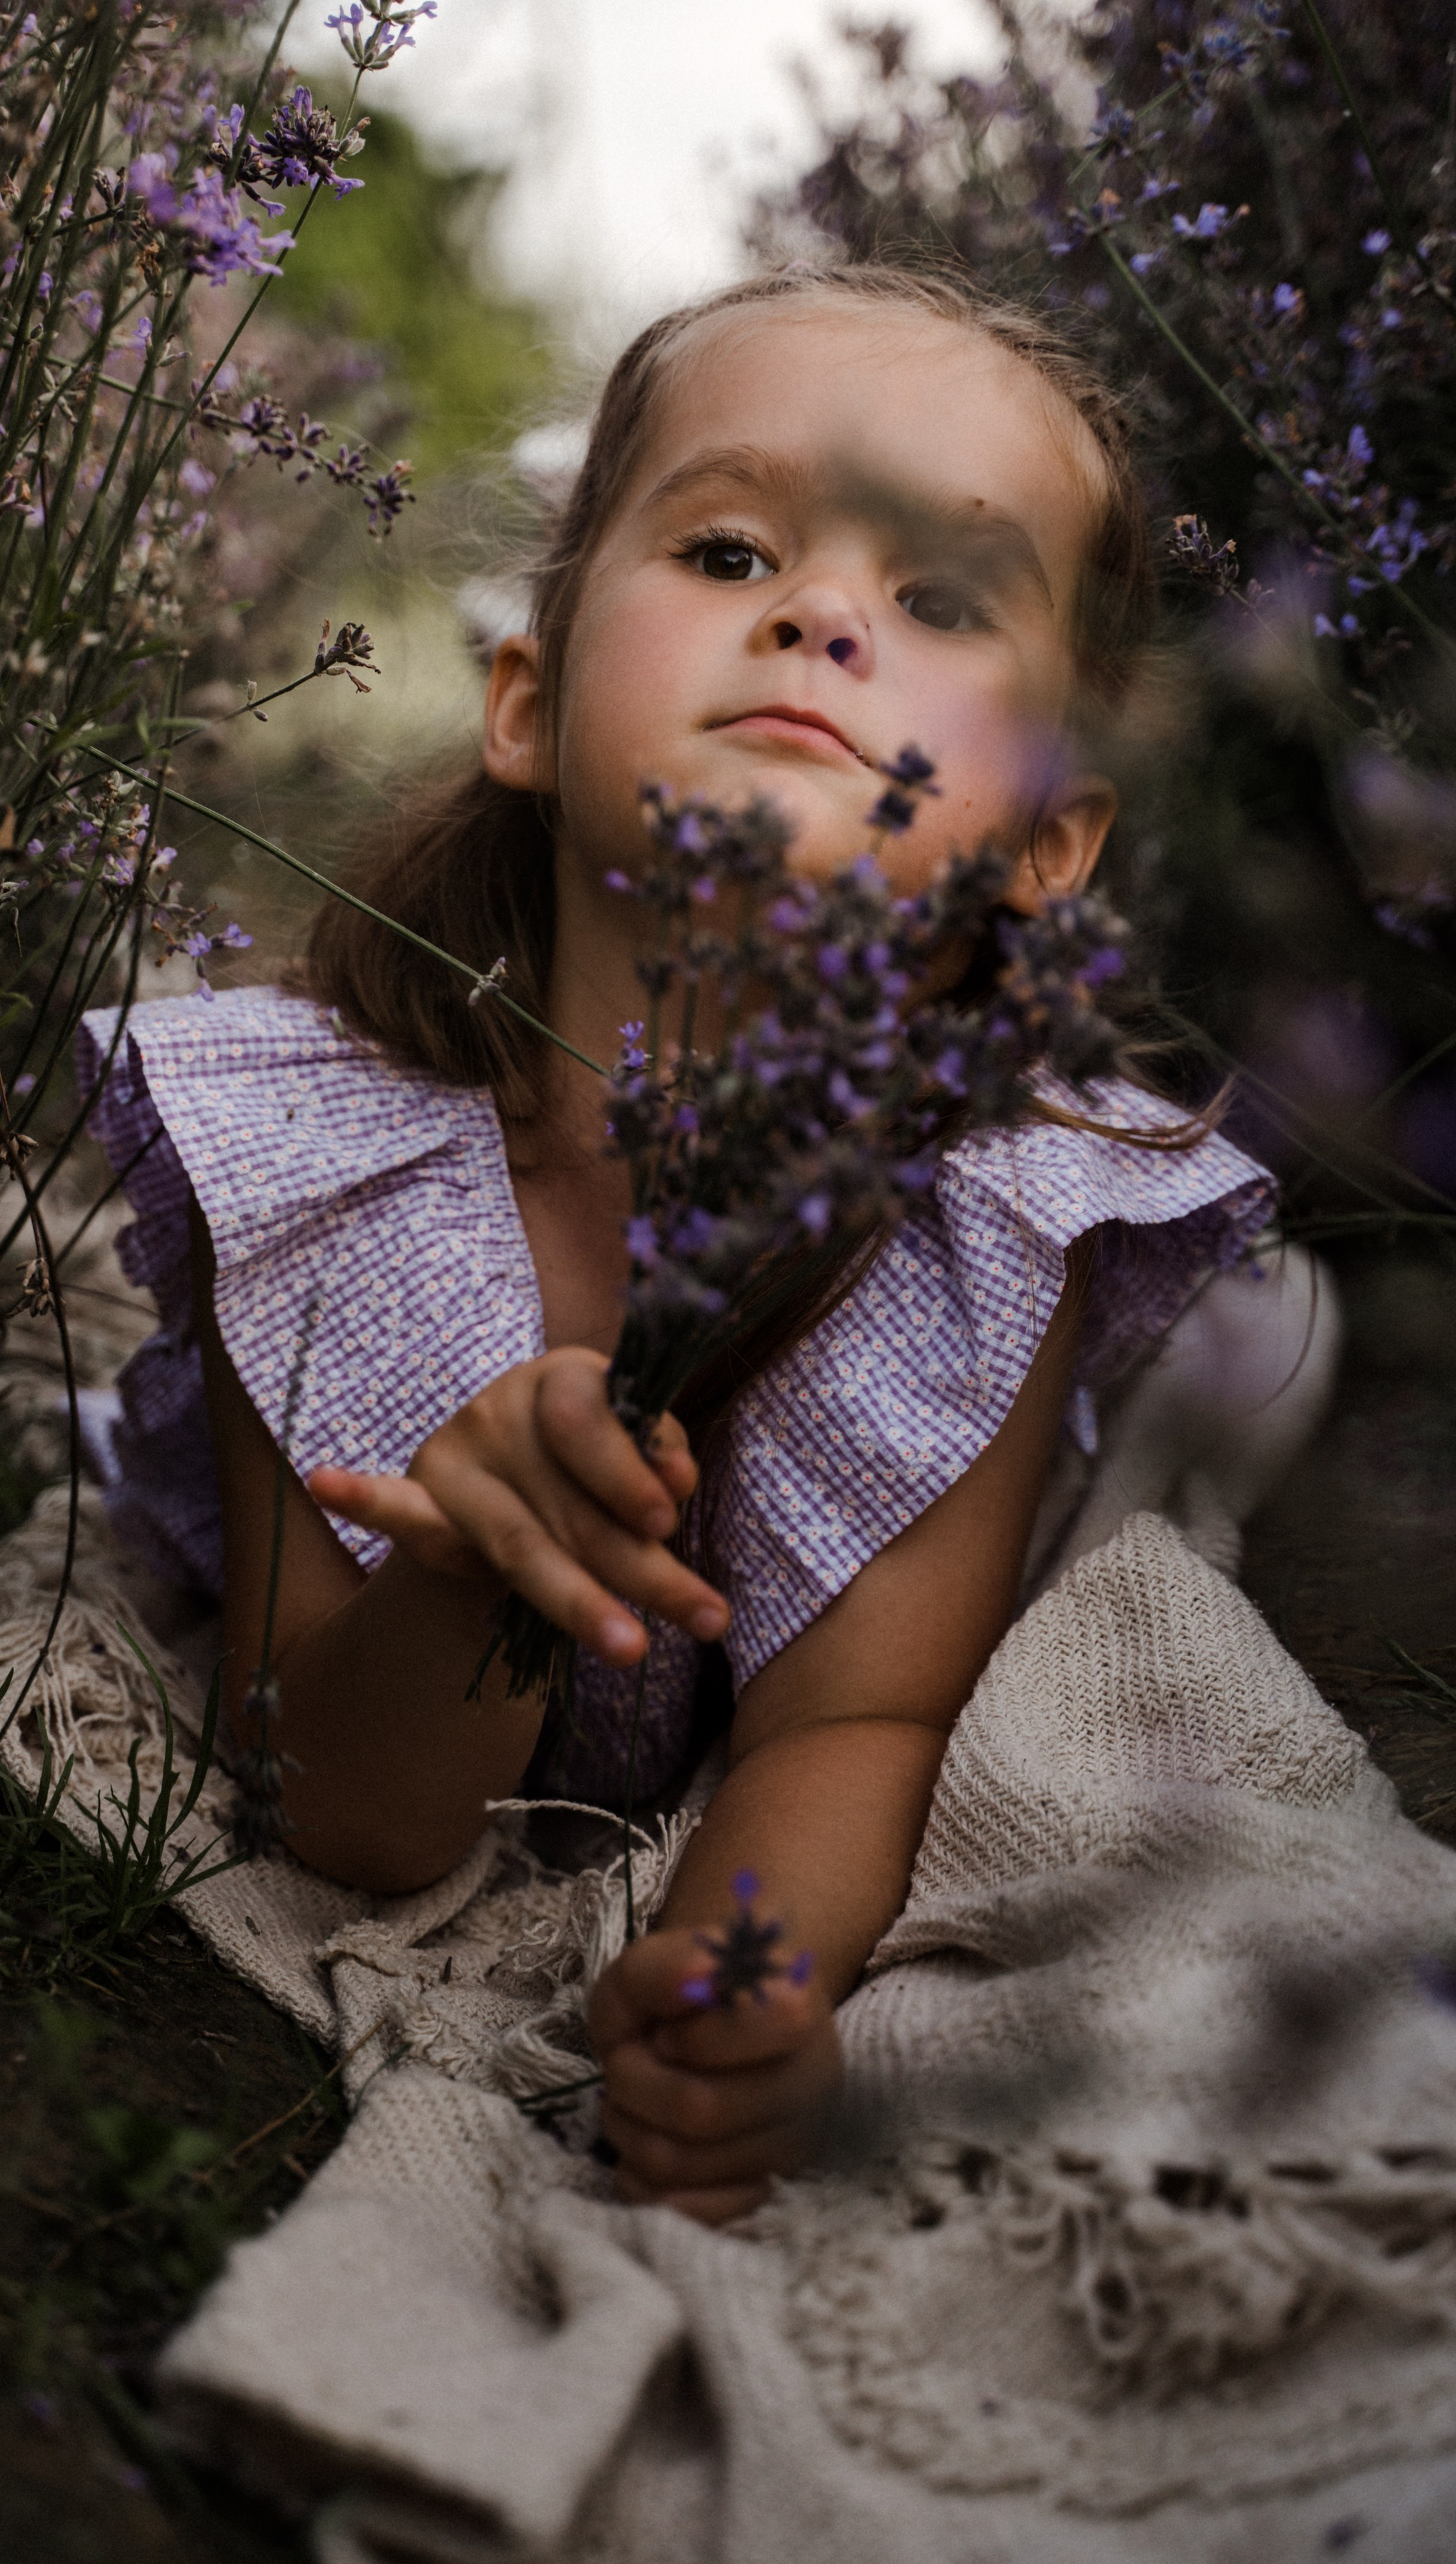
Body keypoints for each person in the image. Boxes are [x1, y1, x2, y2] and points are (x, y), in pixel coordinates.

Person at [79, 264, 1326, 2229]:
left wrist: (741, 1974)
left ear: (1039, 843)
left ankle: (1223, 1404)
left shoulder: (987, 1223)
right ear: (526, 698)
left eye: (937, 601)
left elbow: (858, 1716)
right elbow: (348, 1812)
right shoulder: (315, 1153)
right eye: (730, 545)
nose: (821, 612)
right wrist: (470, 1562)